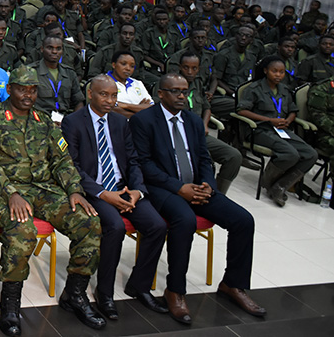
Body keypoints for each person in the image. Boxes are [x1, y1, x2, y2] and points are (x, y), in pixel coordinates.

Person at [0, 66, 104, 335]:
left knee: (89, 221)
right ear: (10, 89)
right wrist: (11, 192)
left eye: (33, 89)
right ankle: (10, 303)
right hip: (2, 191)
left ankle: (75, 294)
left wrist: (74, 190)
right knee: (23, 230)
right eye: (22, 88)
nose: (28, 94)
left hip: (43, 188)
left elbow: (61, 160)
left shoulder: (43, 121)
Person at [130, 73, 266, 324]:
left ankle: (233, 285)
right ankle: (176, 290)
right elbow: (143, 164)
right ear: (161, 94)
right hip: (162, 188)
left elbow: (204, 158)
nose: (182, 96)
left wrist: (208, 186)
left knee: (243, 220)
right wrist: (180, 188)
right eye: (175, 91)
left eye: (185, 90)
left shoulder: (192, 121)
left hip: (197, 186)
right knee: (185, 221)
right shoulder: (143, 121)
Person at [61, 76, 168, 321]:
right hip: (95, 191)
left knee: (157, 226)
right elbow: (72, 166)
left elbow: (132, 159)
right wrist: (103, 193)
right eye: (104, 95)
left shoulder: (121, 122)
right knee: (115, 227)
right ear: (90, 94)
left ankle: (139, 285)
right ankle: (105, 292)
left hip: (123, 188)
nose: (110, 100)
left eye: (113, 96)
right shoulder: (73, 122)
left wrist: (137, 190)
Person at [237, 56, 318, 206]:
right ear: (266, 70)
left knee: (311, 154)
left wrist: (289, 119)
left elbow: (293, 110)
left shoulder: (285, 90)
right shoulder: (254, 88)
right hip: (260, 129)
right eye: (275, 71)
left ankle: (281, 186)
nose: (278, 75)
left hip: (281, 130)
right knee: (290, 154)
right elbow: (242, 111)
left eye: (282, 72)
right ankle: (268, 182)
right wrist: (269, 120)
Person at [173, 52, 243, 194]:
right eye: (186, 68)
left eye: (194, 68)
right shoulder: (170, 84)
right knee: (206, 162)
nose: (190, 71)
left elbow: (206, 107)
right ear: (180, 67)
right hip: (179, 135)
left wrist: (204, 124)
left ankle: (218, 193)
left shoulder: (198, 83)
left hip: (199, 133)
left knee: (234, 156)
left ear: (199, 69)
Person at [28, 35, 84, 121]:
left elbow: (78, 102)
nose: (54, 51)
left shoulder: (69, 73)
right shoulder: (30, 72)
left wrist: (73, 121)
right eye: (50, 48)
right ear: (42, 49)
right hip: (39, 120)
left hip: (65, 120)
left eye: (58, 49)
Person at [107, 50, 154, 118]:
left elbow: (151, 108)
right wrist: (139, 108)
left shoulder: (138, 83)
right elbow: (111, 109)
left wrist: (125, 105)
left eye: (132, 66)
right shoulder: (104, 83)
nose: (128, 68)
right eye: (123, 64)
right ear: (114, 65)